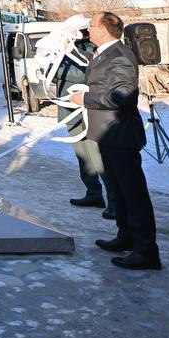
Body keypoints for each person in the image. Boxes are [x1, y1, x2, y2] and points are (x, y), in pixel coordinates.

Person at [67, 11, 159, 271]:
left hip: (120, 135)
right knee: (118, 191)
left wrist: (85, 98)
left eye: (91, 25)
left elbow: (122, 97)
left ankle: (146, 250)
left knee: (133, 193)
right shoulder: (104, 53)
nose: (88, 30)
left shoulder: (119, 56)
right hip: (107, 134)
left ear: (105, 28)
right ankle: (126, 236)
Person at [57, 36, 116, 219]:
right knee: (83, 157)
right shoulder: (63, 49)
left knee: (98, 159)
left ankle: (115, 202)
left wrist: (57, 70)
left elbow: (86, 74)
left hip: (86, 111)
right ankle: (93, 193)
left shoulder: (88, 48)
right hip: (69, 112)